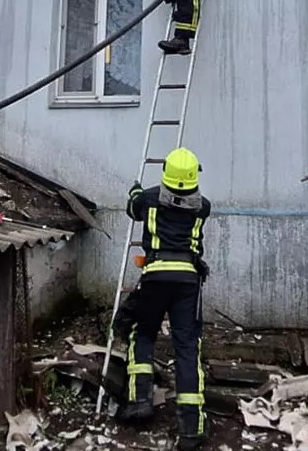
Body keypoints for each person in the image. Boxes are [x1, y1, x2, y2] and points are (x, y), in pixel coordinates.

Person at [115, 146, 212, 450]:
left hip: (155, 276)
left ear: (166, 173)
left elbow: (133, 207)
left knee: (142, 333)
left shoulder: (148, 199)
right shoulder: (203, 207)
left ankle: (139, 401)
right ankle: (191, 429)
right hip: (187, 280)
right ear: (193, 175)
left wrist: (135, 190)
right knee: (186, 346)